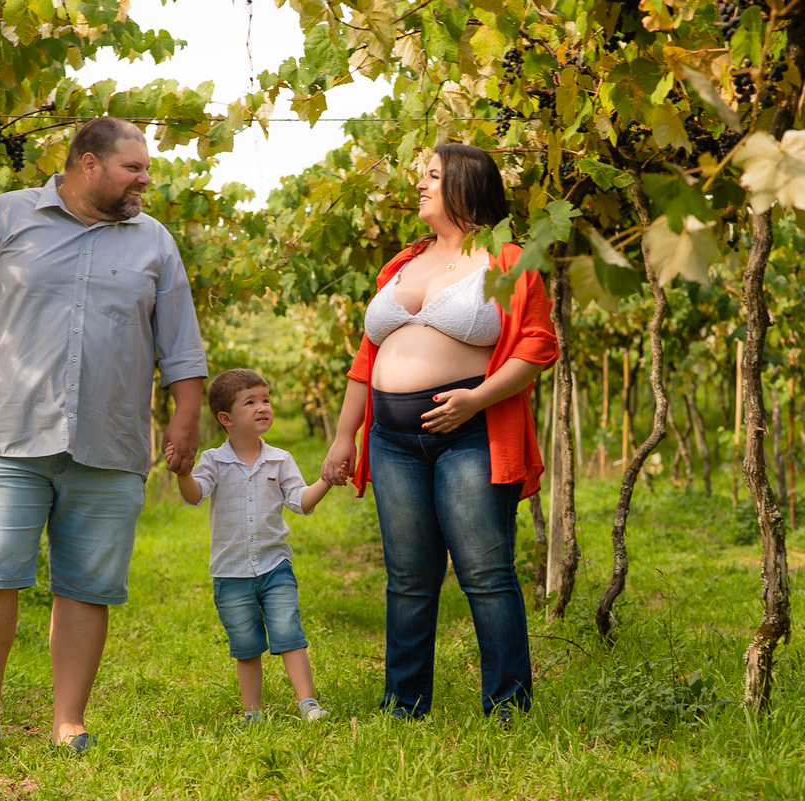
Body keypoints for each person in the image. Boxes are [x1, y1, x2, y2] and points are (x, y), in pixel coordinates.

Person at [0, 117, 207, 756]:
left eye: (146, 168)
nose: (145, 179)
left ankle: (69, 722)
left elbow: (181, 343)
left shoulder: (154, 242)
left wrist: (186, 417)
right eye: (133, 167)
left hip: (108, 439)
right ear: (88, 163)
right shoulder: (3, 218)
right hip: (4, 432)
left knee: (87, 585)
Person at [320, 143, 558, 721]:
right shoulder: (402, 263)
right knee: (408, 577)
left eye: (432, 175)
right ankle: (403, 705)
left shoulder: (508, 259)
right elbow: (367, 356)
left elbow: (536, 346)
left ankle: (507, 707)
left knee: (485, 572)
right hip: (391, 439)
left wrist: (476, 399)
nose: (420, 184)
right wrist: (345, 435)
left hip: (470, 433)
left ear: (464, 184)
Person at [166, 369, 337, 726]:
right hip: (231, 572)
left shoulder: (280, 459)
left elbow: (300, 501)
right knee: (245, 646)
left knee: (289, 634)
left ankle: (308, 704)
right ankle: (253, 713)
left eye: (266, 399)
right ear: (225, 418)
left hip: (275, 566)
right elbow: (195, 496)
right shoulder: (213, 460)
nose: (263, 407)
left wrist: (325, 480)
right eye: (250, 402)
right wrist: (183, 473)